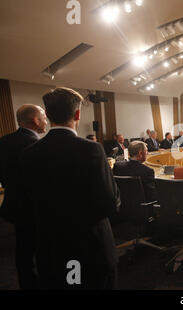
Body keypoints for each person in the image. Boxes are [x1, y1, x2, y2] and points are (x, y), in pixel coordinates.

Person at [20, 87, 120, 289]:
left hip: (51, 247)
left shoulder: (29, 153)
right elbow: (109, 202)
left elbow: (27, 203)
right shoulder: (91, 149)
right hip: (91, 246)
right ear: (77, 114)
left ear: (47, 115)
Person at [0, 104, 47, 289]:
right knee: (44, 252)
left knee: (23, 250)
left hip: (14, 206)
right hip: (38, 209)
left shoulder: (3, 142)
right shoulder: (38, 146)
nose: (46, 120)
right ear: (35, 120)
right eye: (43, 117)